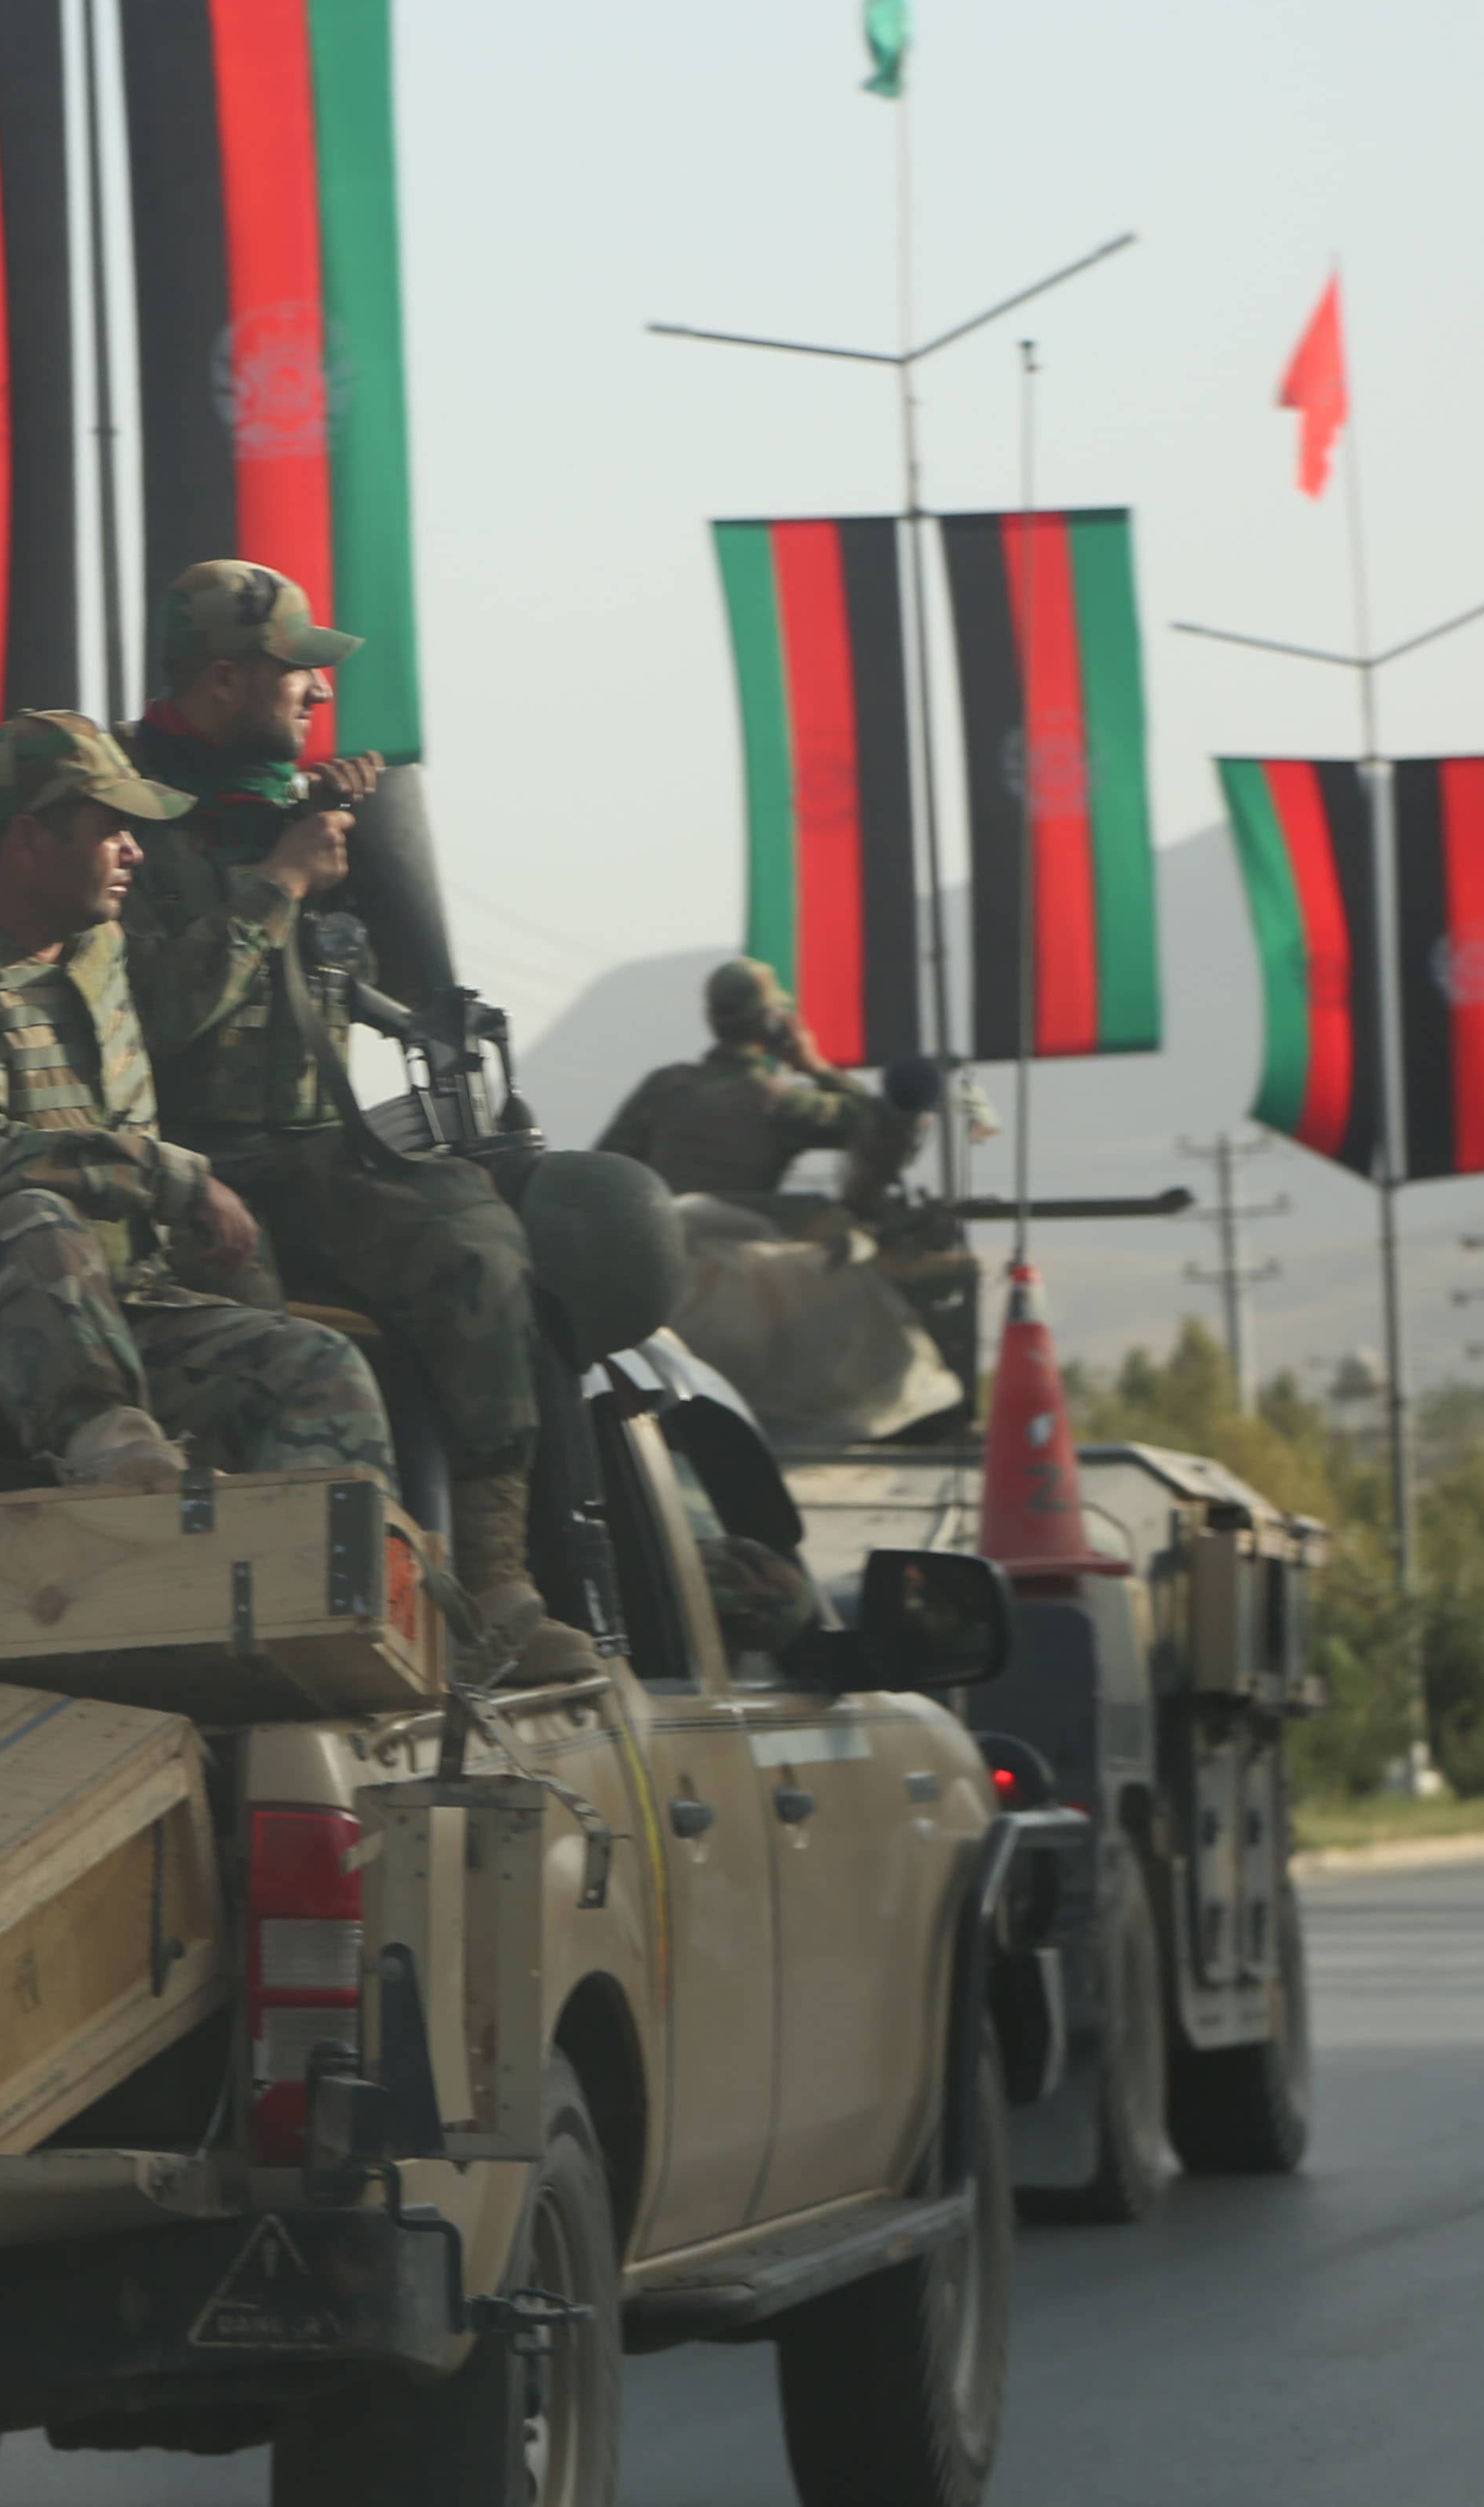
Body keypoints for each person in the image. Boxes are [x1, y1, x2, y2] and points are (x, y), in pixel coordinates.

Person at [116, 559, 589, 1684]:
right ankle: (289, 1614)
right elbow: (157, 1017)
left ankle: (497, 1585)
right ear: (226, 680)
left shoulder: (275, 806)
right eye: (295, 678)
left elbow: (362, 987)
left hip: (308, 1147)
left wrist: (349, 848)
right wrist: (276, 881)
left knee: (476, 1245)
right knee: (262, 1330)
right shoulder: (121, 817)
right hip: (169, 1163)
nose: (314, 699)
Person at [0, 709, 391, 1491]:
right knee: (24, 1215)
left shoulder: (94, 940)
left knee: (313, 1369)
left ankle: (325, 1591)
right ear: (29, 840)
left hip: (100, 1307)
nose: (135, 851)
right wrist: (166, 1178)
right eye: (112, 830)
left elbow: (190, 996)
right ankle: (123, 1479)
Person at [599, 958, 920, 1206]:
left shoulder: (664, 1087)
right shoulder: (782, 1101)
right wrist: (815, 1066)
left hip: (666, 1259)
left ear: (711, 1017)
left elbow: (605, 1169)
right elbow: (880, 1127)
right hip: (746, 1269)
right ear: (771, 1022)